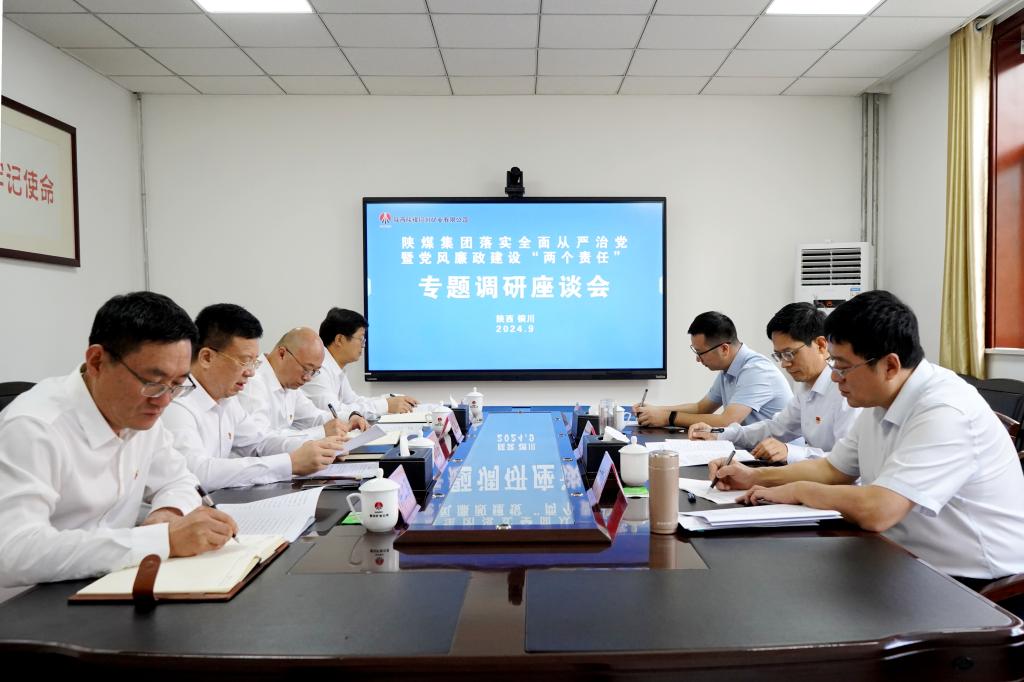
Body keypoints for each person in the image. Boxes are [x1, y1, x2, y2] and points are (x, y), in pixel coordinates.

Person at [709, 290, 1024, 583]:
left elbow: (878, 510)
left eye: (843, 367)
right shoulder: (881, 399)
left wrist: (798, 490)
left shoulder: (946, 411)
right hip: (900, 556)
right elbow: (833, 470)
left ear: (890, 366)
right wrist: (753, 477)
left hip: (975, 583)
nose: (834, 377)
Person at [0, 291, 238, 587]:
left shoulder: (142, 414)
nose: (164, 401)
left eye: (177, 384)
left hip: (113, 583)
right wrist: (160, 540)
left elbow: (179, 480)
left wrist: (168, 513)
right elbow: (13, 552)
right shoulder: (34, 427)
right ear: (97, 361)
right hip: (34, 600)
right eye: (152, 382)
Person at [161, 304, 343, 491]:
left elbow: (260, 442)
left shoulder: (227, 400)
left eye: (253, 362)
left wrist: (317, 450)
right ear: (207, 357)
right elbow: (198, 473)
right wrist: (289, 463)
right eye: (244, 361)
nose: (251, 372)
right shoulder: (177, 402)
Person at [690, 302, 861, 463]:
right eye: (779, 355)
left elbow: (847, 462)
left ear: (821, 345)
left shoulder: (846, 391)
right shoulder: (807, 388)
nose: (784, 364)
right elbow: (775, 428)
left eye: (789, 353)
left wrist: (790, 452)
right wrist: (718, 434)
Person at [635, 311, 791, 429]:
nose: (698, 359)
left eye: (700, 353)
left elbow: (727, 421)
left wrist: (668, 418)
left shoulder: (756, 370)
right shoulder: (729, 369)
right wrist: (656, 410)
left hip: (778, 455)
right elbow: (701, 408)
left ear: (724, 349)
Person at [239, 326, 367, 441]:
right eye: (306, 369)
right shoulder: (252, 382)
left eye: (314, 372)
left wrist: (349, 418)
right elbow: (261, 442)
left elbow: (314, 417)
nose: (308, 378)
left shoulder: (289, 383)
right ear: (282, 354)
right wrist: (322, 433)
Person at [302, 308, 419, 418]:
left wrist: (391, 399)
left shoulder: (335, 368)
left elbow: (354, 401)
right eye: (361, 339)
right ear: (339, 340)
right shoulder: (318, 370)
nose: (363, 345)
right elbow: (335, 413)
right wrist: (386, 405)